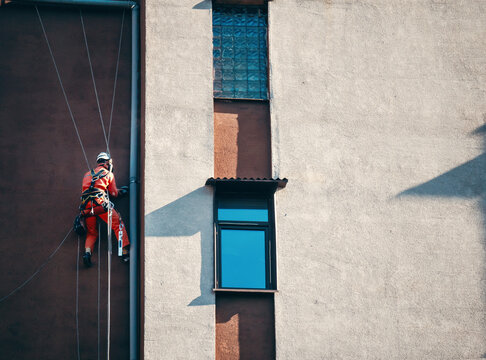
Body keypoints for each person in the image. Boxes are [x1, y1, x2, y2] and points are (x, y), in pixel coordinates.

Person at [79, 152, 129, 267]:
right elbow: (113, 193)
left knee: (91, 233)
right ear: (107, 162)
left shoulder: (87, 174)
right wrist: (121, 191)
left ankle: (87, 253)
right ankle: (125, 252)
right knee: (118, 225)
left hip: (86, 208)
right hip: (101, 205)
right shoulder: (108, 174)